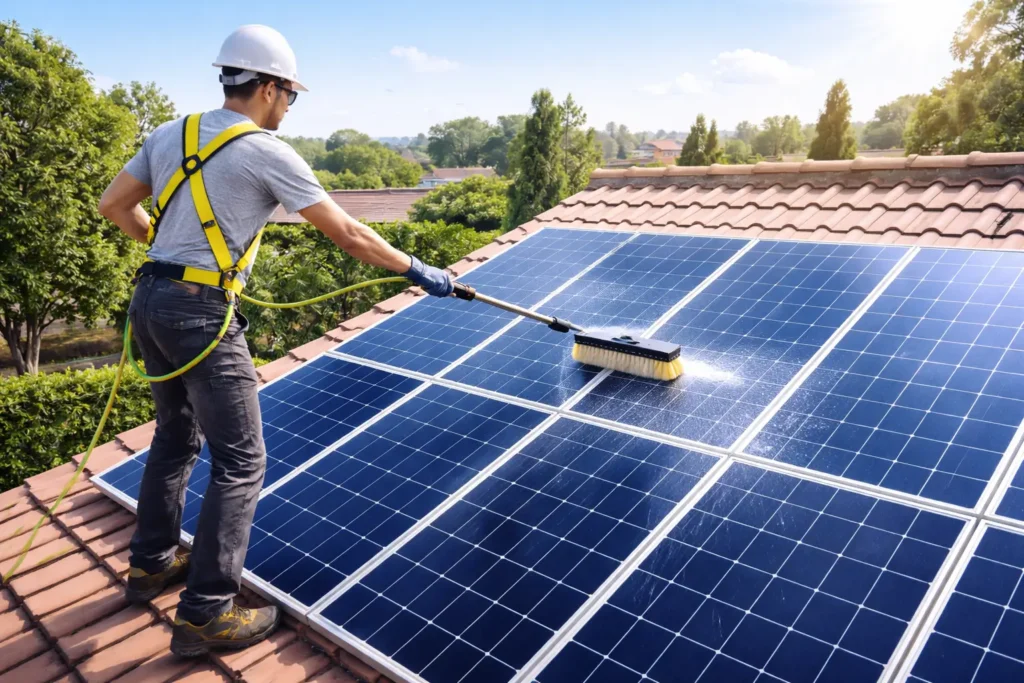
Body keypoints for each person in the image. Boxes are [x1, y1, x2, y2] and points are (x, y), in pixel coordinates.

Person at [97, 24, 453, 657]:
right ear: (265, 86)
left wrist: (170, 251)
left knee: (176, 435)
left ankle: (150, 562)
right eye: (290, 93)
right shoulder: (266, 151)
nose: (290, 106)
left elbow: (115, 205)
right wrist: (416, 270)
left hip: (149, 299)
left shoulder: (169, 133)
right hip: (201, 311)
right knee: (243, 459)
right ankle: (206, 612)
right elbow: (348, 233)